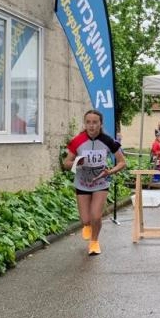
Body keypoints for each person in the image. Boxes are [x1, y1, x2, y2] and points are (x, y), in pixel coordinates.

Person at [63, 109, 126, 256]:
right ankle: (86, 225)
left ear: (101, 124)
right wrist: (77, 163)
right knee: (86, 219)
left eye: (95, 122)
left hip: (101, 183)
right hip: (82, 183)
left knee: (96, 216)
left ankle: (94, 242)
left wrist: (109, 172)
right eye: (88, 122)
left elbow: (122, 162)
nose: (91, 126)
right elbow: (66, 162)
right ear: (85, 124)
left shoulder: (108, 141)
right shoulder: (78, 141)